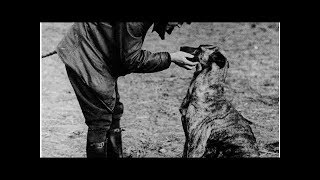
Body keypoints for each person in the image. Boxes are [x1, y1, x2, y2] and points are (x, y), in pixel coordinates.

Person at [55, 22, 197, 158]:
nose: (179, 25)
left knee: (114, 111)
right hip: (84, 55)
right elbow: (132, 60)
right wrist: (170, 57)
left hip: (97, 53)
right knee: (100, 120)